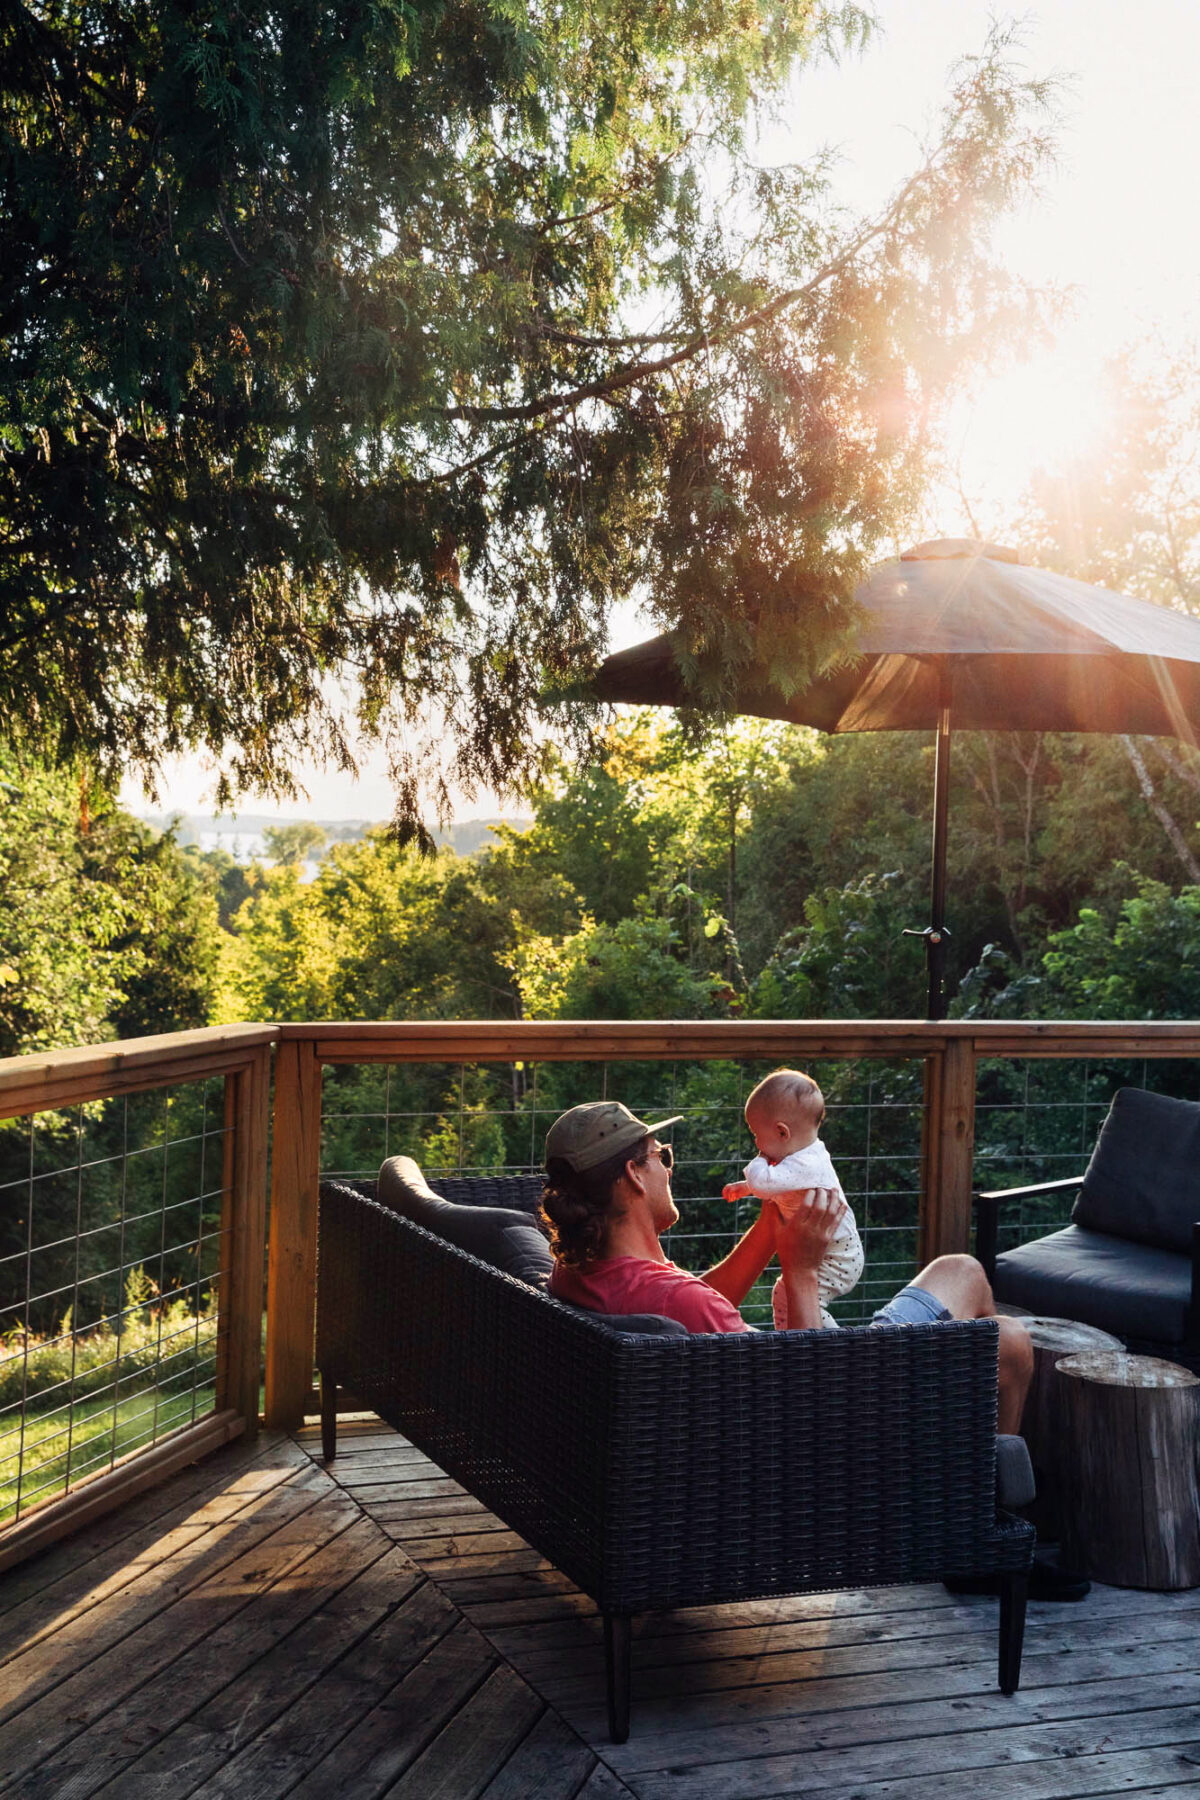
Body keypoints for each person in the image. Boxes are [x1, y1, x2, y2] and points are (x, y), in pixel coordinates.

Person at [542, 1097, 1089, 1602]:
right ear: (635, 1176)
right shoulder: (675, 1301)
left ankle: (977, 1521)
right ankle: (980, 1536)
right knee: (997, 1323)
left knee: (975, 1297)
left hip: (740, 1440)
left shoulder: (580, 1277)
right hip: (831, 1449)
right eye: (661, 1156)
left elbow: (698, 1303)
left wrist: (770, 1225)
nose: (667, 1166)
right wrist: (800, 1268)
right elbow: (814, 1404)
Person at [722, 1068, 864, 1330]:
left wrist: (760, 1161)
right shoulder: (804, 1158)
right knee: (783, 1293)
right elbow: (779, 1183)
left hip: (837, 1257)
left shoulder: (806, 1163)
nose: (756, 1143)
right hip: (834, 1250)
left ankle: (838, 1345)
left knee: (801, 1299)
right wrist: (746, 1187)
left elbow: (765, 1181)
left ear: (782, 1132)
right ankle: (789, 1342)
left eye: (756, 1134)